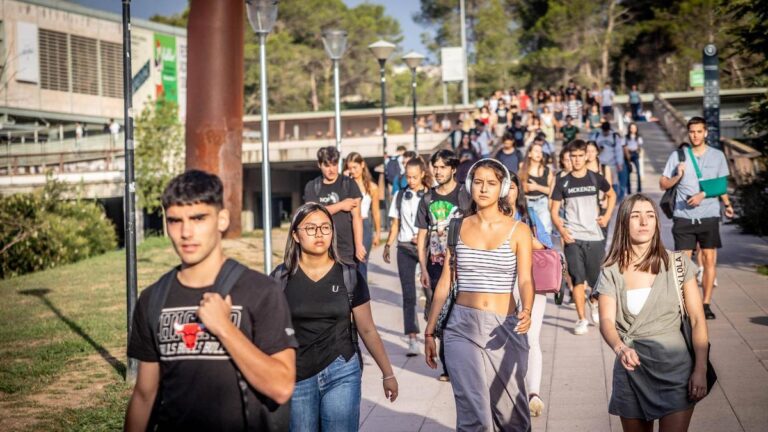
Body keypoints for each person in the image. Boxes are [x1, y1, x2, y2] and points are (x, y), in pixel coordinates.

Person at [125, 170, 297, 431]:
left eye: (198, 218)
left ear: (222, 219)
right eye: (174, 221)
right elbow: (144, 394)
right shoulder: (153, 298)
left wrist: (225, 328)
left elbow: (282, 386)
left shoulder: (261, 291)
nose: (185, 232)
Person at [424, 158, 535, 431]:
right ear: (470, 186)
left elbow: (526, 279)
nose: (483, 189)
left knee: (514, 419)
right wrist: (429, 331)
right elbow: (445, 283)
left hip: (504, 327)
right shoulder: (457, 226)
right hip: (461, 327)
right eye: (478, 182)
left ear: (503, 188)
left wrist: (528, 309)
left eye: (491, 183)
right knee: (474, 418)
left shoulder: (519, 230)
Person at [272, 203, 398, 431]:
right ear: (296, 235)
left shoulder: (349, 275)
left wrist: (387, 373)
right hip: (296, 375)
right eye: (310, 228)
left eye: (325, 227)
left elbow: (368, 330)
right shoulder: (280, 278)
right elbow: (267, 331)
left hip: (341, 370)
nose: (319, 234)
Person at [597, 194, 710, 431]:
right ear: (624, 223)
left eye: (650, 216)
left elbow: (698, 320)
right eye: (636, 216)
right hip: (631, 371)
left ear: (657, 223)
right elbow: (606, 320)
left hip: (676, 371)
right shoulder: (611, 271)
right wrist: (620, 348)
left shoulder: (678, 264)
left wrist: (700, 369)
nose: (644, 222)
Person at [660, 116, 734, 320]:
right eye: (692, 132)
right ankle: (686, 304)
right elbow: (663, 183)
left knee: (709, 260)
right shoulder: (678, 156)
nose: (695, 135)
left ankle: (706, 303)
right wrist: (678, 177)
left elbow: (721, 186)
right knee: (684, 264)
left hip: (709, 216)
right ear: (688, 133)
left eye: (699, 131)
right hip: (683, 217)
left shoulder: (718, 156)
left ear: (706, 133)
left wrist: (726, 204)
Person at [551, 140, 616, 335]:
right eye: (574, 156)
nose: (577, 160)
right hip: (573, 237)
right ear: (569, 158)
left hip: (594, 236)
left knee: (597, 279)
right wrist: (563, 232)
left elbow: (612, 195)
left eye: (581, 156)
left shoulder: (596, 178)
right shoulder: (563, 182)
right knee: (578, 279)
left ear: (586, 156)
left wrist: (607, 215)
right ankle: (581, 319)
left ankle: (593, 302)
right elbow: (553, 211)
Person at [417, 149, 469, 381]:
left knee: (462, 314)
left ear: (453, 169)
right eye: (435, 167)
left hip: (464, 265)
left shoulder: (465, 195)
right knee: (443, 317)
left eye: (442, 167)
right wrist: (423, 267)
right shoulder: (427, 198)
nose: (438, 171)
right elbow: (421, 236)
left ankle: (465, 362)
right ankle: (449, 367)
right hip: (437, 264)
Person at [506, 169, 554, 418]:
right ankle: (512, 389)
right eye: (505, 187)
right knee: (506, 340)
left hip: (532, 281)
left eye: (513, 187)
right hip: (499, 285)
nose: (509, 192)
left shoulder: (529, 215)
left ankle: (533, 392)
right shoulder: (486, 218)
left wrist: (528, 240)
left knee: (531, 337)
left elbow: (547, 246)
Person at [384, 157, 433, 357]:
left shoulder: (430, 196)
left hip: (425, 247)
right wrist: (388, 244)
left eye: (415, 177)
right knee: (408, 294)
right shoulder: (398, 196)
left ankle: (432, 332)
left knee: (430, 292)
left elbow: (436, 224)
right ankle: (412, 338)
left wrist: (424, 235)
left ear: (422, 174)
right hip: (404, 247)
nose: (411, 180)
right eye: (408, 177)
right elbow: (395, 225)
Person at [303, 146, 366, 268]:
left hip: (347, 250)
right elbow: (312, 214)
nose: (331, 169)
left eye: (334, 164)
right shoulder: (312, 186)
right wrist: (341, 205)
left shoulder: (349, 184)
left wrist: (359, 245)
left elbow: (357, 218)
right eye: (327, 165)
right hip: (321, 250)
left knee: (348, 285)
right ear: (319, 165)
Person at [345, 152, 381, 279]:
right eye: (349, 168)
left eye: (355, 167)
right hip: (348, 225)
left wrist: (377, 233)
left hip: (364, 225)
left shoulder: (372, 187)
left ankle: (363, 296)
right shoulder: (346, 184)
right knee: (349, 263)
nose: (353, 171)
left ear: (362, 165)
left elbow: (375, 211)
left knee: (361, 262)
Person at [520, 142, 554, 235]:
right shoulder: (522, 167)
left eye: (540, 151)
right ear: (530, 154)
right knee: (527, 232)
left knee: (545, 231)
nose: (539, 154)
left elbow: (551, 191)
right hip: (526, 203)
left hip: (542, 203)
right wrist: (525, 187)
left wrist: (536, 187)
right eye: (536, 151)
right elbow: (518, 186)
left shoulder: (547, 170)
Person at [591, 121, 627, 201]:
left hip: (612, 164)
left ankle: (614, 199)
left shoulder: (614, 137)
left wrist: (619, 163)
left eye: (607, 131)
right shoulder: (596, 136)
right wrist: (598, 150)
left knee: (613, 182)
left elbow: (618, 151)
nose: (605, 133)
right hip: (599, 164)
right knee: (600, 182)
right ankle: (601, 199)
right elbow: (590, 147)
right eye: (604, 131)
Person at [624, 123, 643, 193]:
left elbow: (639, 147)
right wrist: (627, 155)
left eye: (634, 128)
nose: (633, 129)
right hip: (628, 153)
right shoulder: (626, 137)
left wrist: (638, 152)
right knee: (628, 172)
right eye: (631, 128)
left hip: (635, 154)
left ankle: (639, 188)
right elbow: (625, 147)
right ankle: (629, 189)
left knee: (638, 171)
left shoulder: (638, 137)